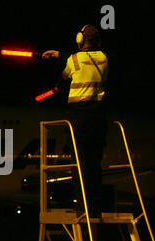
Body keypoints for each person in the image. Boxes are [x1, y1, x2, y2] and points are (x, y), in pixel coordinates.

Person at [42, 25, 109, 218]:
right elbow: (84, 58)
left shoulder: (73, 60)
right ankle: (95, 207)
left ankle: (82, 206)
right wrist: (58, 54)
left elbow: (63, 81)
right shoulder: (104, 58)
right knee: (94, 163)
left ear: (80, 40)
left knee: (79, 163)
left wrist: (56, 87)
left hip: (79, 117)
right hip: (99, 118)